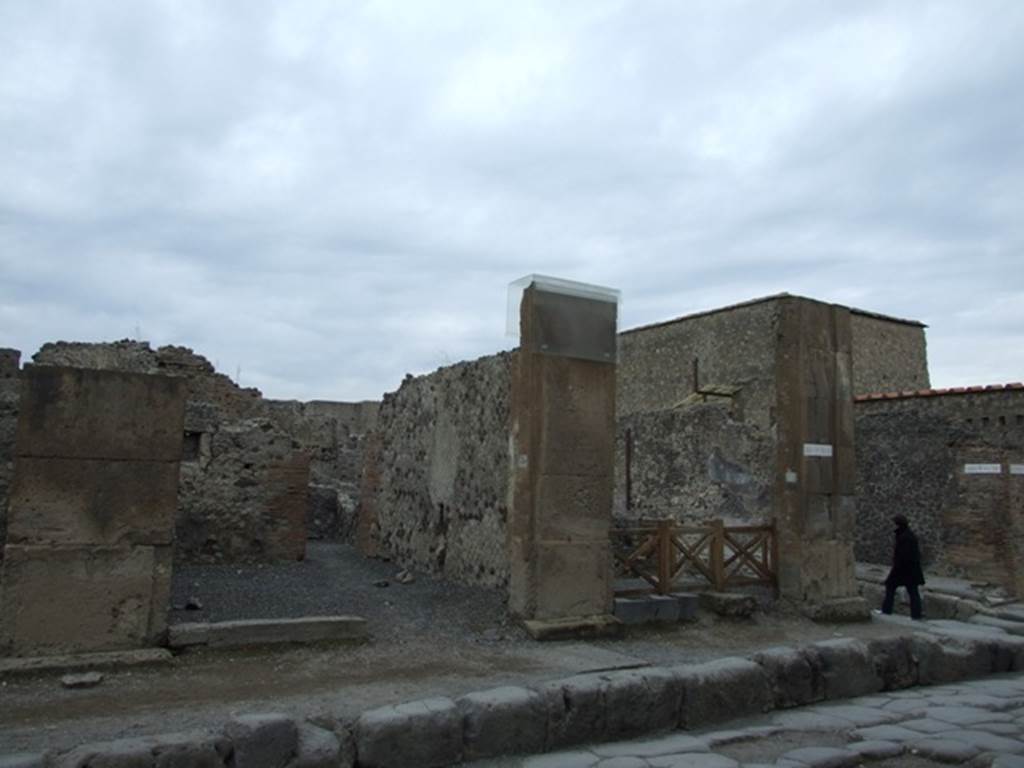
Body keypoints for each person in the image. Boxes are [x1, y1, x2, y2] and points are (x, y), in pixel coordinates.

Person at [881, 514, 925, 619]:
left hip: (904, 569)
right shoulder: (908, 535)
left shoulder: (905, 537)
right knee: (913, 591)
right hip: (911, 570)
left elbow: (903, 556)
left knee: (890, 586)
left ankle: (887, 610)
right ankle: (916, 615)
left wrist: (896, 568)